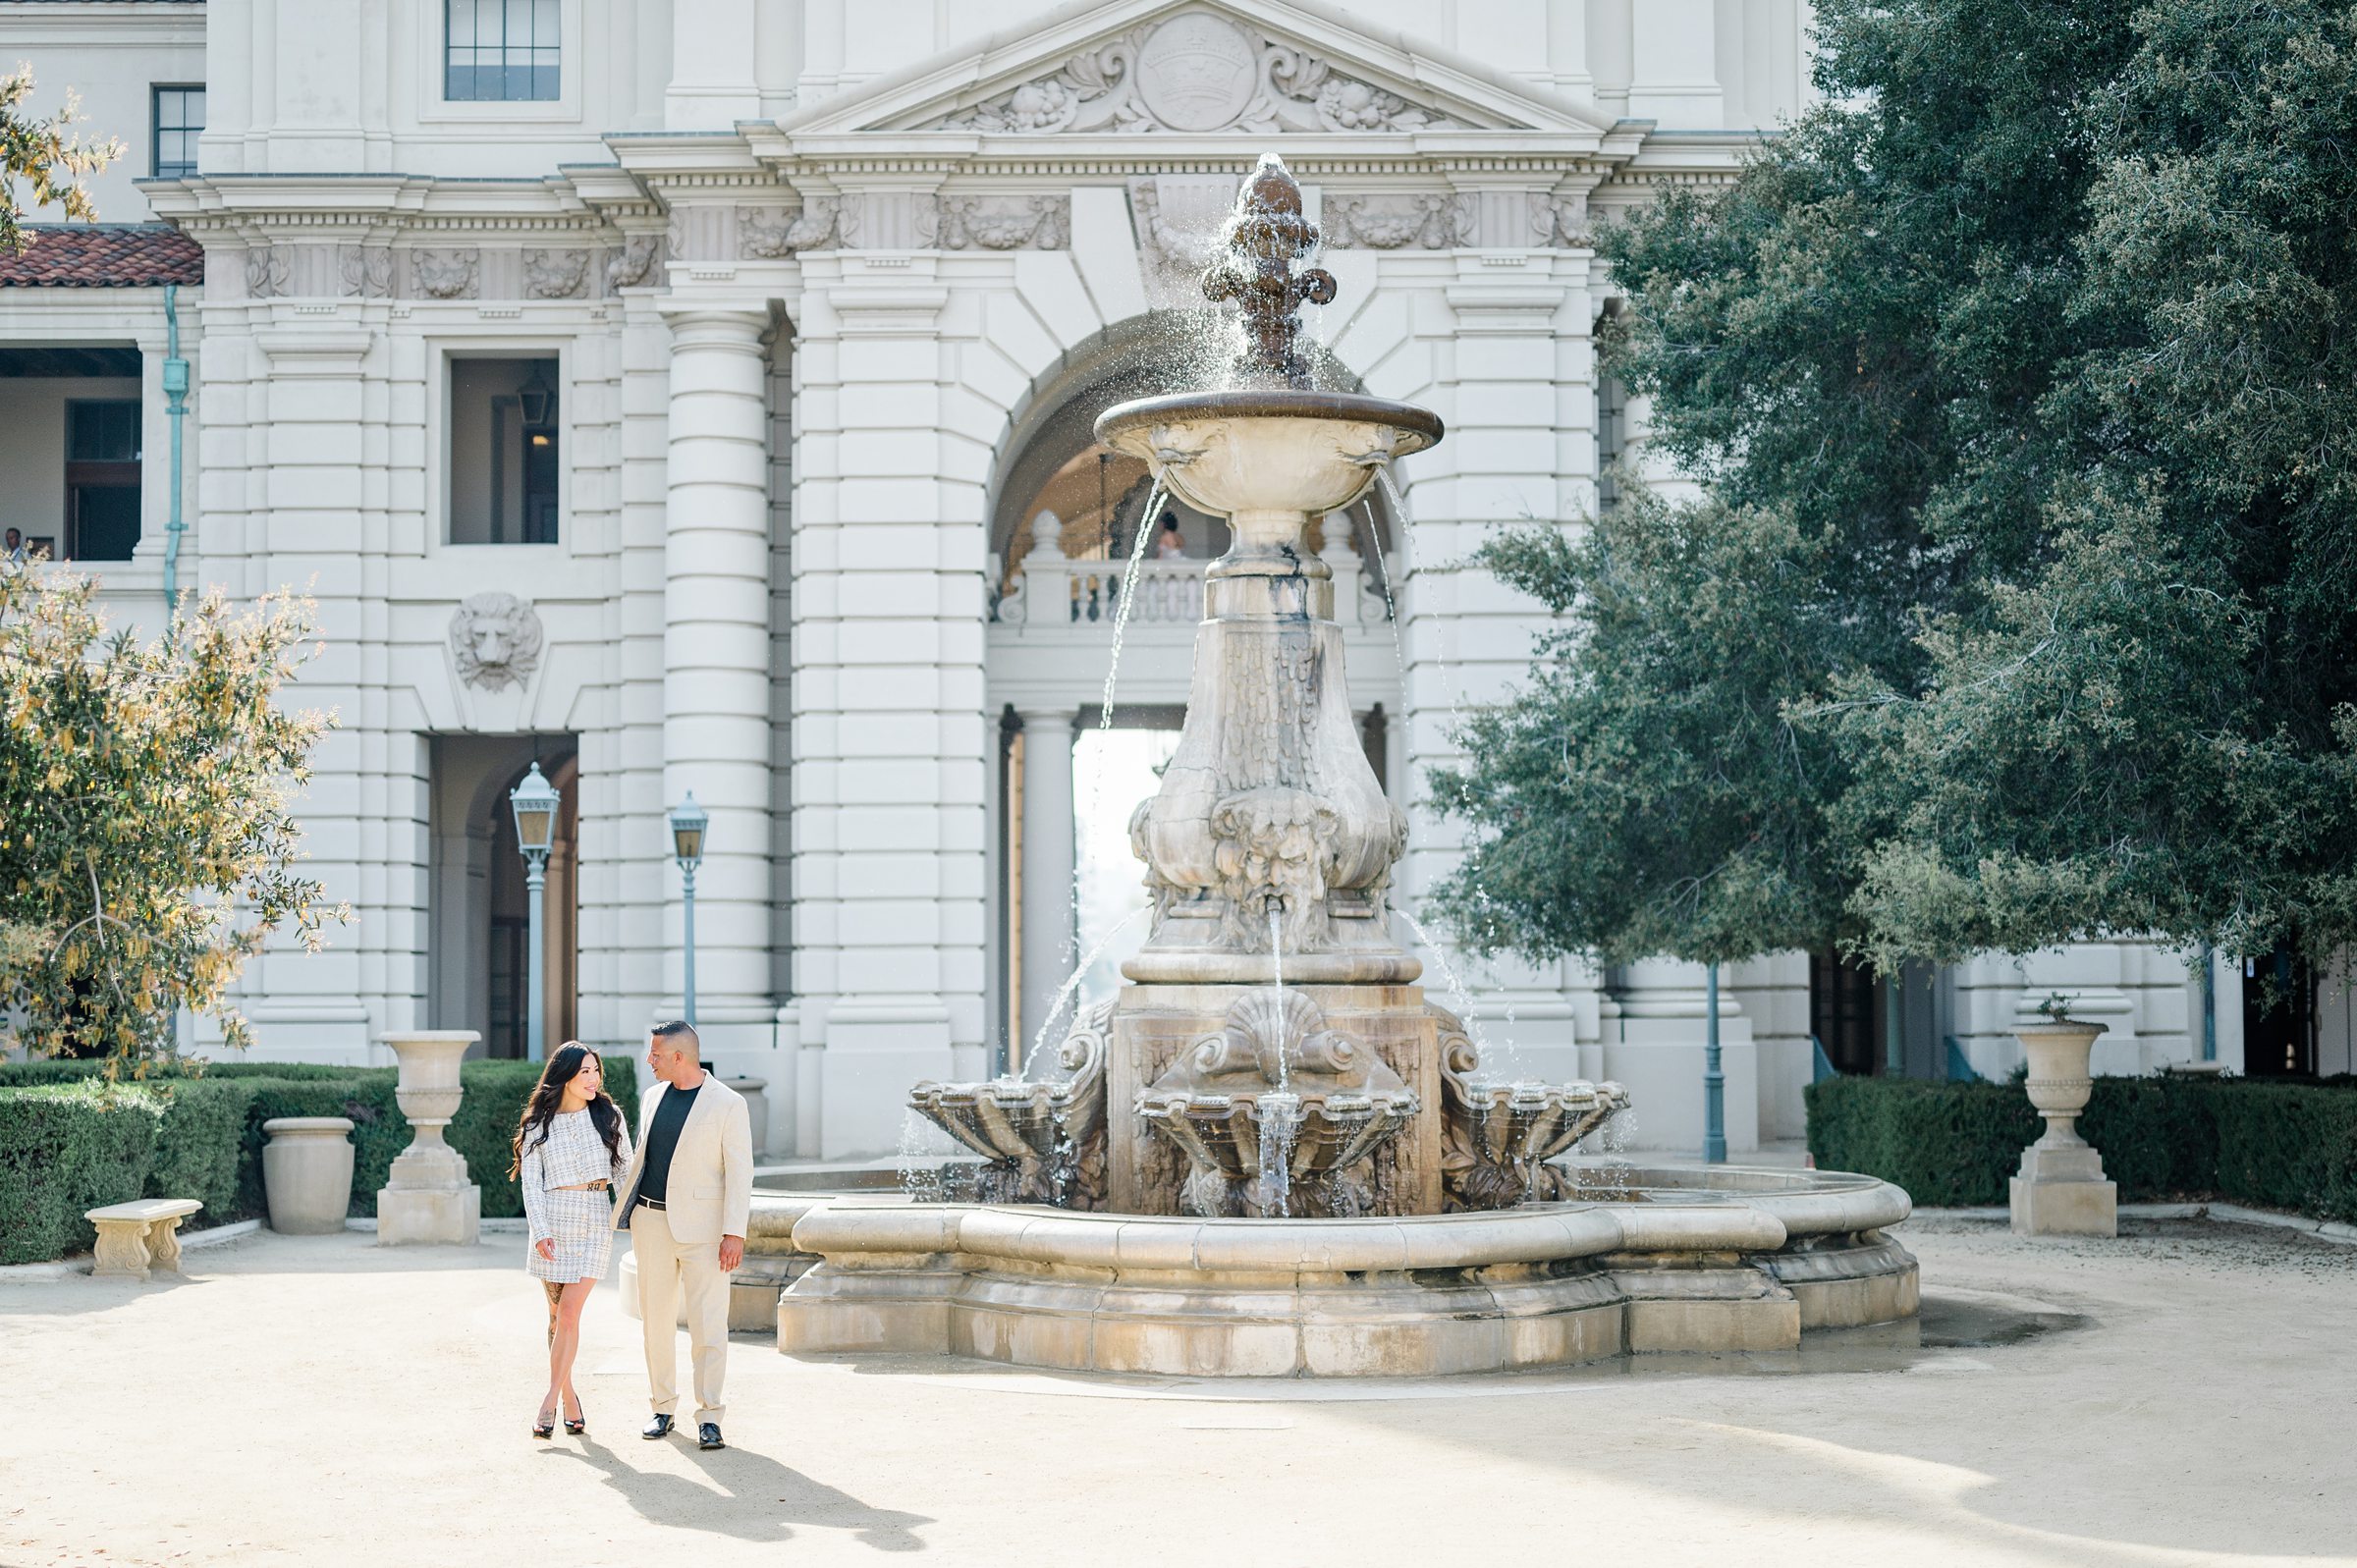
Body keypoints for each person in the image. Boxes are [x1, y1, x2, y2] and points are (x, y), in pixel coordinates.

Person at [612, 1019, 752, 1450]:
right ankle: (662, 1407)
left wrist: (734, 1233)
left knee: (709, 1325)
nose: (649, 1061)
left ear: (679, 1056)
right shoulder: (652, 1096)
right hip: (650, 1224)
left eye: (655, 1054)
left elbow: (740, 1172)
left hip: (706, 1232)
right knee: (655, 1322)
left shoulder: (728, 1104)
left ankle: (709, 1416)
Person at [513, 1043, 632, 1439]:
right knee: (555, 1317)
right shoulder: (537, 1125)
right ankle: (568, 1396)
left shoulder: (610, 1116)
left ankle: (547, 1400)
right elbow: (532, 1184)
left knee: (568, 1314)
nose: (593, 1079)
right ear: (563, 1075)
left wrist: (634, 1222)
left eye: (596, 1071)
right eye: (584, 1072)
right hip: (553, 1225)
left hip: (596, 1220)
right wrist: (541, 1230)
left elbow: (625, 1173)